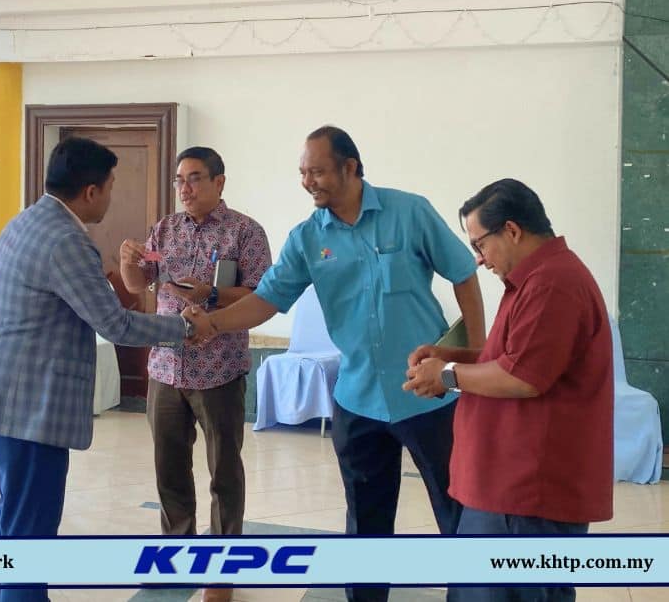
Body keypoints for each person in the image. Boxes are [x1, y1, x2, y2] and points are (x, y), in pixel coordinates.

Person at [185, 126, 486, 602]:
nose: (309, 182)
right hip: (358, 398)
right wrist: (214, 323)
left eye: (318, 171)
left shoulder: (409, 212)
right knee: (365, 525)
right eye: (303, 173)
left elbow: (464, 273)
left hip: (428, 397)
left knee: (459, 514)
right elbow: (268, 299)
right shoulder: (308, 238)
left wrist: (474, 350)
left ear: (351, 167)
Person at [0, 136, 202, 602]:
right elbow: (115, 323)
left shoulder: (25, 221)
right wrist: (185, 327)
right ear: (91, 191)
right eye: (110, 186)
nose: (111, 196)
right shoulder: (66, 241)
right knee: (30, 532)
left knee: (15, 521)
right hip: (27, 410)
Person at [404, 179, 613, 602]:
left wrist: (447, 374)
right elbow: (512, 358)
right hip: (505, 487)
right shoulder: (535, 280)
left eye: (480, 245)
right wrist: (452, 356)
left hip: (526, 496)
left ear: (512, 230)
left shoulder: (552, 283)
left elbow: (523, 378)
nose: (479, 259)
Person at [119, 147, 271, 602]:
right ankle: (176, 554)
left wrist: (213, 295)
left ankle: (222, 569)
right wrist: (127, 261)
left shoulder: (245, 231)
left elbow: (263, 293)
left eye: (195, 178)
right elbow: (138, 283)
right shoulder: (164, 229)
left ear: (219, 182)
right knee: (169, 469)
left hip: (219, 370)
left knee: (224, 472)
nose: (185, 188)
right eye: (179, 180)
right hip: (166, 369)